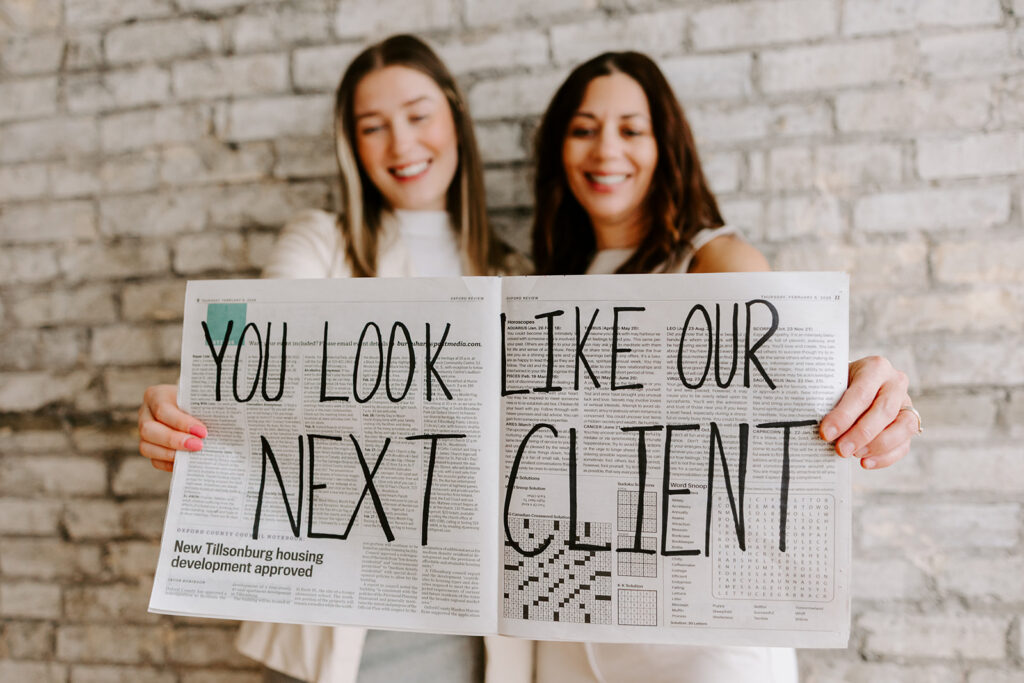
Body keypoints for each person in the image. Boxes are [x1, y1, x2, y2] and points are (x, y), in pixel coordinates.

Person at [137, 35, 530, 683]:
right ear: (353, 146)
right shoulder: (321, 242)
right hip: (334, 627)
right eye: (373, 127)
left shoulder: (513, 276)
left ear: (456, 116)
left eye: (418, 115)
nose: (401, 145)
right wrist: (186, 394)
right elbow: (251, 343)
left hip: (469, 632)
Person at [528, 51, 922, 683]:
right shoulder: (546, 285)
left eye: (631, 129)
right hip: (571, 629)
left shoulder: (716, 262)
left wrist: (868, 396)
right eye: (583, 129)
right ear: (558, 149)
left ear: (667, 146)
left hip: (702, 640)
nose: (606, 150)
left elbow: (794, 401)